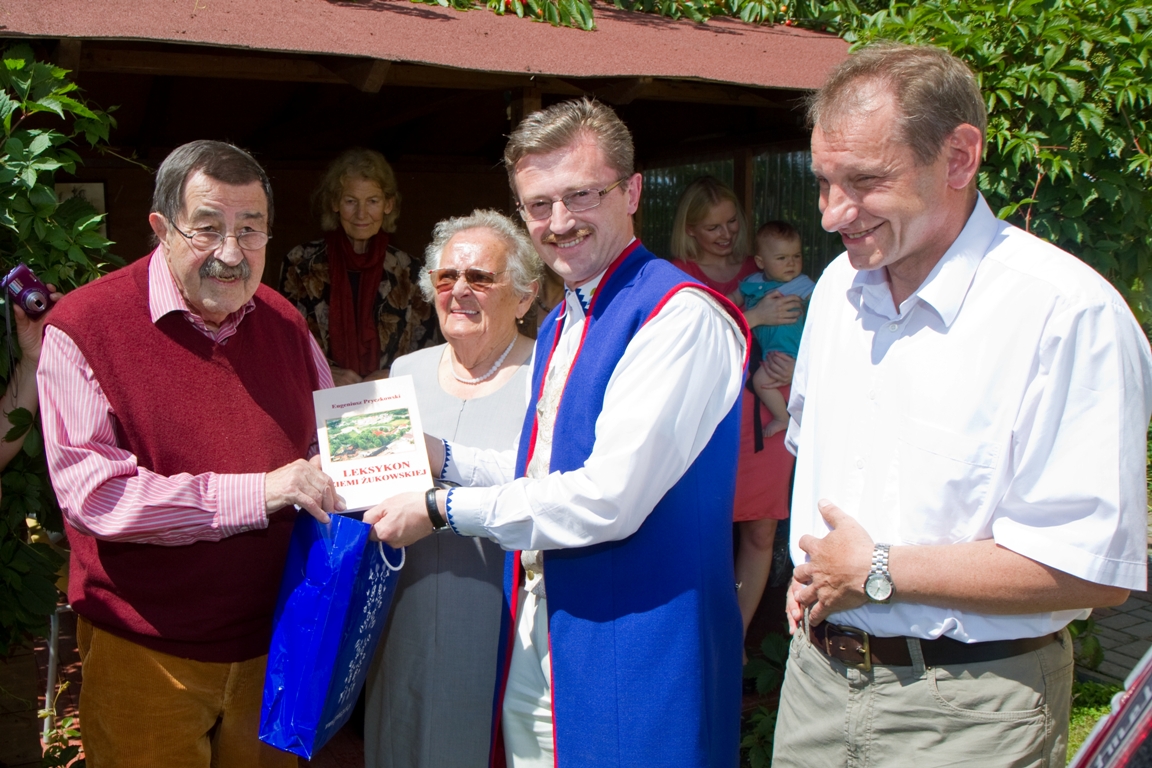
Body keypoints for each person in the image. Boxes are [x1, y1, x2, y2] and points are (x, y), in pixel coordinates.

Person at [775, 43, 1152, 768]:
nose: (831, 214)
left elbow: (1096, 570)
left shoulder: (1066, 315)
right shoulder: (835, 294)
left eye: (863, 181)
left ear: (958, 157)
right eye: (824, 182)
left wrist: (878, 568)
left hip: (970, 710)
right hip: (817, 683)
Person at [364, 98, 748, 767]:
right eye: (539, 205)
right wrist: (441, 456)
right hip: (547, 638)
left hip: (637, 650)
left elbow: (606, 498)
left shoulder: (676, 317)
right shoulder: (566, 319)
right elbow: (545, 470)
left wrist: (440, 506)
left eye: (581, 196)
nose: (560, 222)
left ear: (631, 191)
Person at [38, 140, 343, 768]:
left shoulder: (286, 323)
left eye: (251, 230)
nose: (231, 253)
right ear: (160, 228)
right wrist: (259, 492)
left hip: (275, 650)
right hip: (147, 656)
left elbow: (326, 444)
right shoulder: (84, 327)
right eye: (208, 229)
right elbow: (98, 498)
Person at [365, 209, 541, 768]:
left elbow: (552, 486)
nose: (459, 290)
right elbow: (377, 486)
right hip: (405, 607)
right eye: (446, 278)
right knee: (401, 735)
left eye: (480, 279)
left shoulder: (549, 374)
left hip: (501, 614)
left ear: (524, 295)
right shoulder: (405, 373)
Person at [670, 177, 802, 647]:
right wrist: (755, 317)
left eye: (731, 223)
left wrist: (792, 357)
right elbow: (682, 348)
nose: (726, 235)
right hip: (707, 420)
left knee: (762, 530)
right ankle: (695, 634)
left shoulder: (764, 265)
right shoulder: (675, 275)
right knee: (703, 529)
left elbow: (802, 323)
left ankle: (735, 637)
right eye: (712, 228)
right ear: (689, 231)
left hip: (766, 414)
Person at [280, 147, 438, 386]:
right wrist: (326, 373)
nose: (361, 214)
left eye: (372, 201)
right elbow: (284, 342)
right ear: (335, 203)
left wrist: (394, 374)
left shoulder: (410, 271)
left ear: (388, 204)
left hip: (391, 402)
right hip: (320, 398)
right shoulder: (300, 264)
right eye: (351, 201)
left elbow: (430, 350)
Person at [733, 221, 815, 438]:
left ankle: (782, 418)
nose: (791, 263)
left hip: (789, 351)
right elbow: (729, 303)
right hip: (770, 352)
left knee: (761, 382)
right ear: (761, 262)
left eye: (796, 256)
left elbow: (821, 314)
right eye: (781, 258)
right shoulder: (751, 283)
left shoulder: (805, 285)